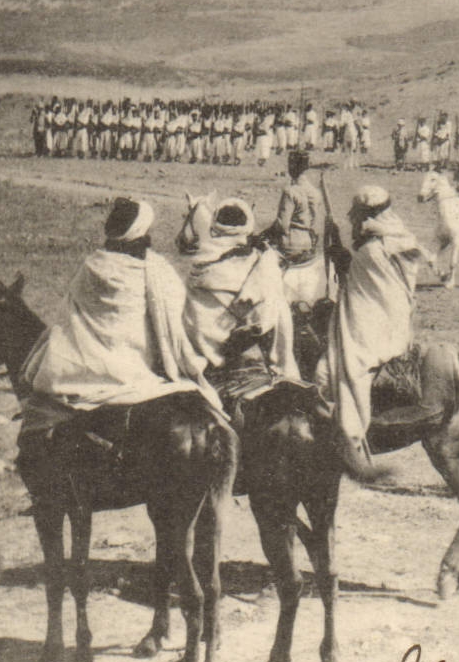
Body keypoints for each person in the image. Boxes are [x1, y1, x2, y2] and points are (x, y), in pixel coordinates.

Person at [18, 198, 222, 443]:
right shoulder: (157, 269)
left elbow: (67, 321)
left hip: (86, 369)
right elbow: (178, 319)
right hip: (139, 368)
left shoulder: (92, 266)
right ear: (142, 230)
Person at [314, 186, 433, 463]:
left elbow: (355, 283)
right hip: (394, 320)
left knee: (337, 370)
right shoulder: (399, 240)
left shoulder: (372, 250)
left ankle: (351, 438)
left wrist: (337, 253)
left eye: (357, 218)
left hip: (373, 325)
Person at [181, 198, 300, 380]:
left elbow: (190, 324)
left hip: (207, 361)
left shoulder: (200, 266)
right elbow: (275, 320)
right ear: (248, 225)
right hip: (258, 354)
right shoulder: (265, 266)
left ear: (214, 225)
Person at [269, 150, 330, 307]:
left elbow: (283, 224)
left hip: (290, 242)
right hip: (308, 242)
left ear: (292, 166)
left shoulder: (290, 191)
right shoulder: (314, 192)